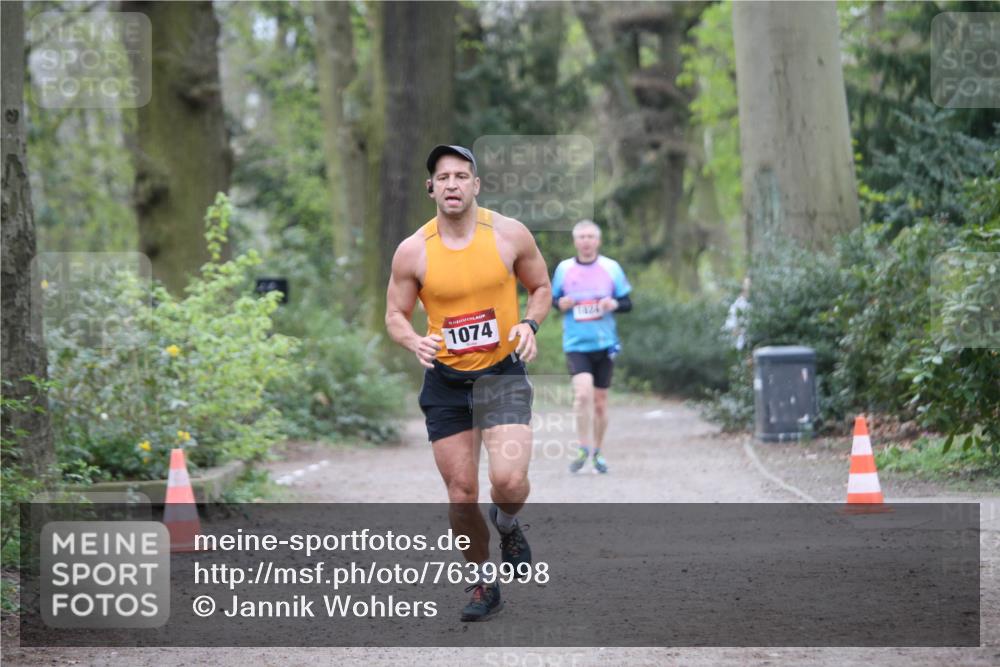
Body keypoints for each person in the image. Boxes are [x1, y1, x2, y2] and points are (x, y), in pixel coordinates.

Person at [385, 145, 552, 622]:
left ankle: (509, 522)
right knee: (461, 494)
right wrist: (413, 340)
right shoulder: (414, 250)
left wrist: (529, 325)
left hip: (500, 372)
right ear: (431, 188)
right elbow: (394, 314)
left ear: (476, 185)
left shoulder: (508, 234)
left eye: (462, 175)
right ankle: (482, 583)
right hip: (447, 382)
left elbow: (540, 288)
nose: (453, 184)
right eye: (444, 177)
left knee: (508, 481)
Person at [551, 220, 632, 474]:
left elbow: (628, 302)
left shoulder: (611, 268)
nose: (586, 241)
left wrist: (613, 304)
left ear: (598, 241)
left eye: (590, 237)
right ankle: (582, 446)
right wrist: (560, 303)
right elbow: (553, 299)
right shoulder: (564, 269)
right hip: (576, 343)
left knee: (599, 402)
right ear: (575, 241)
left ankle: (598, 451)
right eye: (581, 237)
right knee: (583, 394)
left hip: (605, 343)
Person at [723, 276, 751, 351]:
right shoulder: (736, 306)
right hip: (743, 347)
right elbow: (732, 329)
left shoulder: (759, 303)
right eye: (746, 286)